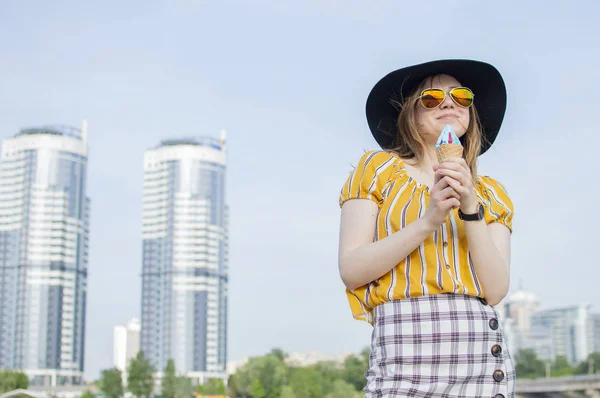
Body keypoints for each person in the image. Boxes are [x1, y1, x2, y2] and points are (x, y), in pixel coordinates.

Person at [338, 59, 515, 397]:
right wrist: (429, 219)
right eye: (432, 97)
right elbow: (352, 268)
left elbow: (495, 289)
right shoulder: (378, 171)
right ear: (410, 113)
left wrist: (469, 207)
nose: (449, 102)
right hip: (403, 361)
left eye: (461, 96)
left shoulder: (492, 193)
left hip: (478, 358)